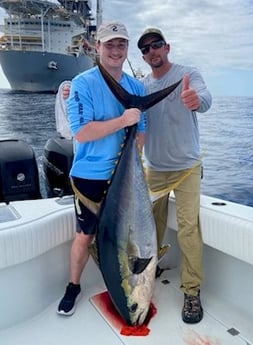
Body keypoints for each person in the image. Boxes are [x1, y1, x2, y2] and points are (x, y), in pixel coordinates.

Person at [57, 21, 146, 316]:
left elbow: (141, 131)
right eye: (109, 44)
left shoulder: (136, 87)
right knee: (86, 235)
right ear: (98, 47)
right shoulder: (82, 83)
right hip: (90, 177)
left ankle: (128, 282)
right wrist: (123, 121)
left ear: (127, 48)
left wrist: (133, 167)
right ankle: (73, 285)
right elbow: (81, 132)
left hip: (124, 178)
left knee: (124, 238)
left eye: (121, 44)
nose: (116, 50)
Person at [137, 28, 212, 324]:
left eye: (156, 45)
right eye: (146, 49)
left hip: (187, 168)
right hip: (154, 168)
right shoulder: (141, 86)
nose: (152, 51)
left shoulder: (188, 74)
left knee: (188, 228)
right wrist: (69, 92)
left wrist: (195, 101)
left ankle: (191, 291)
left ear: (167, 47)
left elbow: (205, 100)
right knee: (148, 229)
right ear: (143, 57)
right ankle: (148, 270)